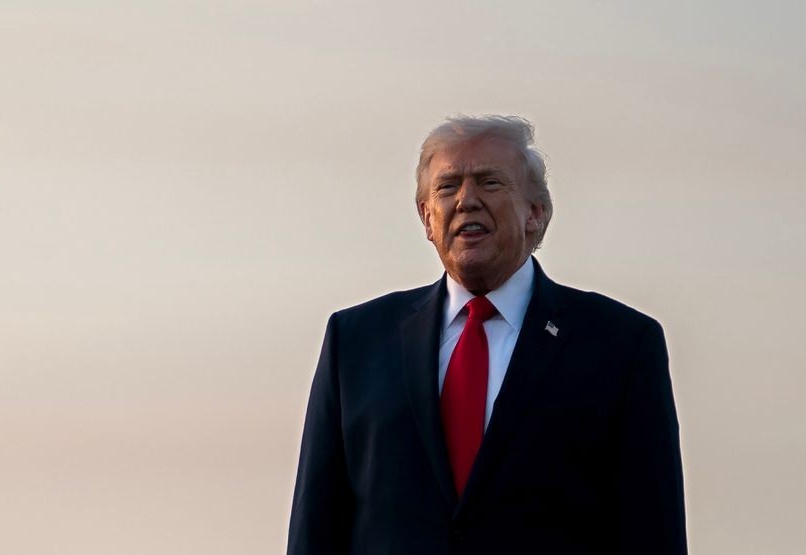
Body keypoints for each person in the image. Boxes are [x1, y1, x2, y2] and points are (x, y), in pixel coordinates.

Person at [287, 115, 687, 554]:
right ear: (426, 217)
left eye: (490, 183)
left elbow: (652, 530)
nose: (466, 200)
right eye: (447, 186)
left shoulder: (620, 344)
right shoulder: (356, 341)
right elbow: (316, 527)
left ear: (536, 212)